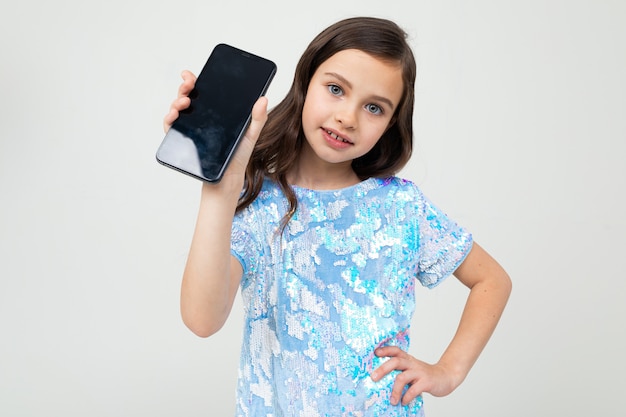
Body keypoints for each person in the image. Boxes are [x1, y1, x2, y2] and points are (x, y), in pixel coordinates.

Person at [163, 16, 511, 416]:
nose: (348, 117)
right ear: (305, 82)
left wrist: (449, 370)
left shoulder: (401, 207)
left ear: (391, 123)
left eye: (374, 108)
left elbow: (492, 279)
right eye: (335, 89)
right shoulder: (258, 204)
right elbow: (201, 320)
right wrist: (220, 189)